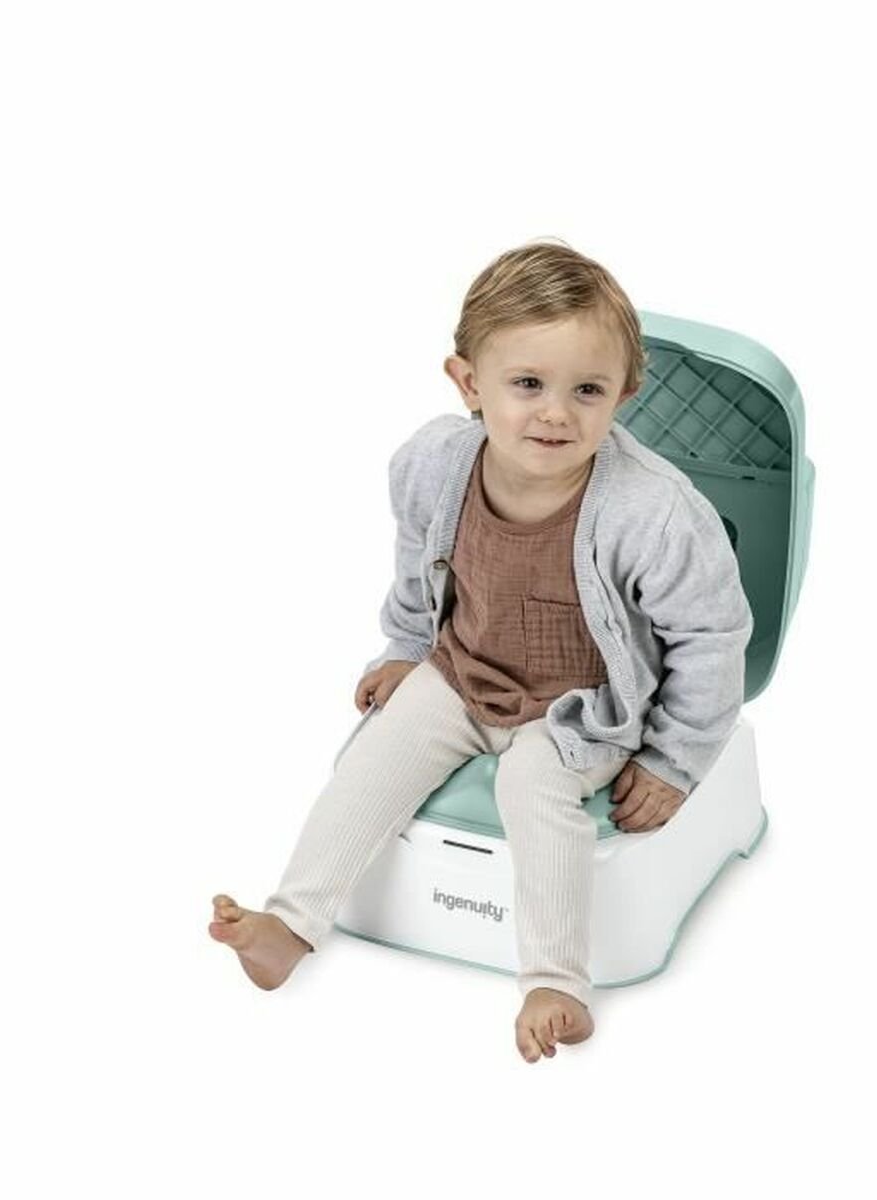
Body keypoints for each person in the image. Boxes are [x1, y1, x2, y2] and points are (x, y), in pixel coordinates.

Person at [209, 238, 753, 1062]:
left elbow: (712, 638)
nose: (556, 413)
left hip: (585, 708)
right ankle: (290, 923)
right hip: (465, 670)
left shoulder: (653, 513)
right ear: (468, 383)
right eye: (527, 384)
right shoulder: (435, 463)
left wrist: (676, 759)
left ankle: (555, 983)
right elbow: (418, 561)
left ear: (624, 395)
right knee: (372, 754)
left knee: (533, 785)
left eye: (587, 390)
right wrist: (405, 645)